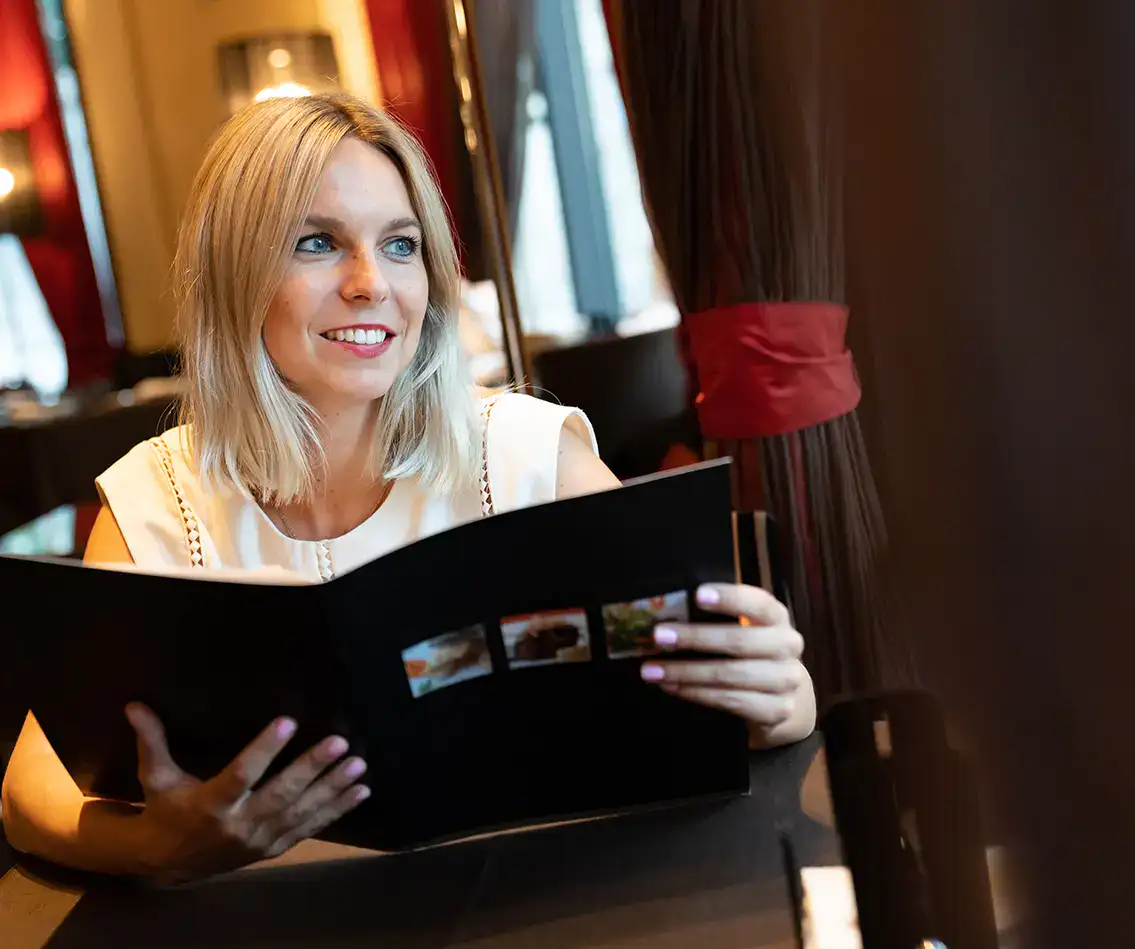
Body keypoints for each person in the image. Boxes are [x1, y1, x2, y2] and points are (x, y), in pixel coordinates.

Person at [1, 93, 816, 882]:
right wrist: (153, 847)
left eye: (399, 244)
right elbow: (29, 790)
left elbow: (747, 693)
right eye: (316, 243)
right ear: (233, 274)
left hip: (544, 904)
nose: (371, 282)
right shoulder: (157, 500)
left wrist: (780, 698)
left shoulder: (528, 455)